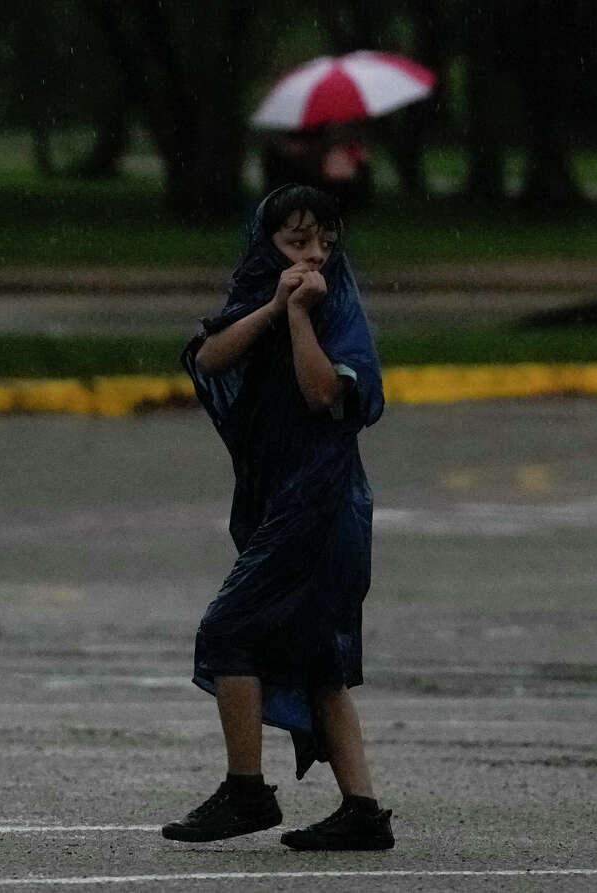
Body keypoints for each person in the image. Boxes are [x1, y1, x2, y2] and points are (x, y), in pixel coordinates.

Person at [163, 184, 392, 851]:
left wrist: (299, 318)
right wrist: (273, 306)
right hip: (282, 497)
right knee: (318, 659)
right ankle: (363, 811)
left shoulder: (337, 309)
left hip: (321, 504)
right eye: (297, 242)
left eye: (324, 240)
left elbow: (327, 392)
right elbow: (208, 358)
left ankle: (246, 790)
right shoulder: (256, 294)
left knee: (229, 630)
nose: (314, 255)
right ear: (266, 244)